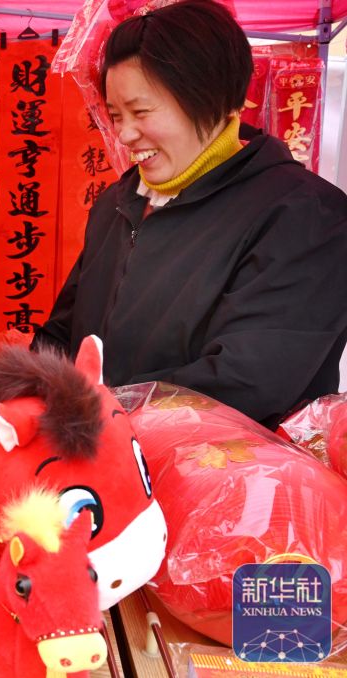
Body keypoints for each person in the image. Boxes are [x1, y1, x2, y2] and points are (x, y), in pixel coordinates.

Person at [33, 0, 347, 428]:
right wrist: (23, 395)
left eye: (141, 112)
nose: (125, 134)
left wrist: (94, 418)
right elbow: (62, 337)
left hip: (222, 466)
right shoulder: (116, 204)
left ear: (215, 99)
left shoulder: (307, 215)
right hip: (89, 458)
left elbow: (245, 383)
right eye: (116, 115)